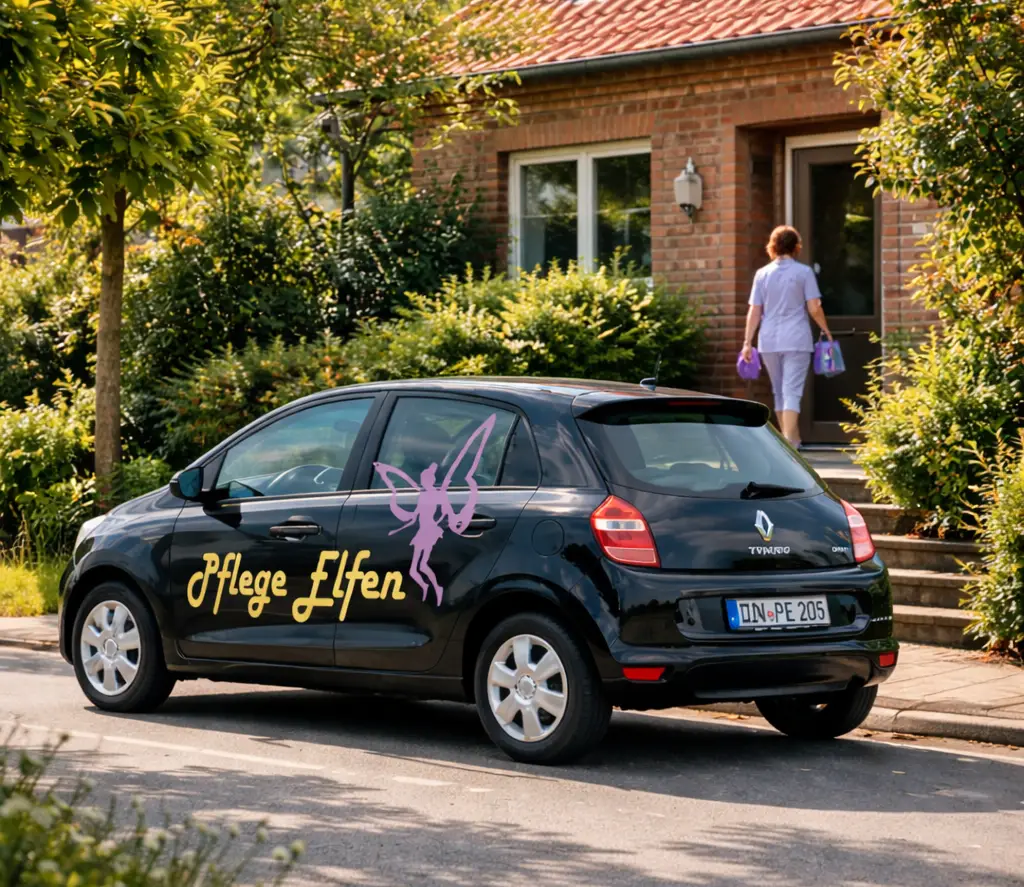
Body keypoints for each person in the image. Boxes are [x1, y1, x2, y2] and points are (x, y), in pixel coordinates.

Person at [741, 225, 832, 449]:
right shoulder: (804, 273)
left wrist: (747, 342)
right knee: (791, 391)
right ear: (796, 247)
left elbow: (755, 310)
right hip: (796, 338)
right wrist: (826, 330)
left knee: (779, 390)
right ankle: (787, 446)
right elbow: (814, 307)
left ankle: (793, 440)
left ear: (772, 246)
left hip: (768, 339)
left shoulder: (762, 274)